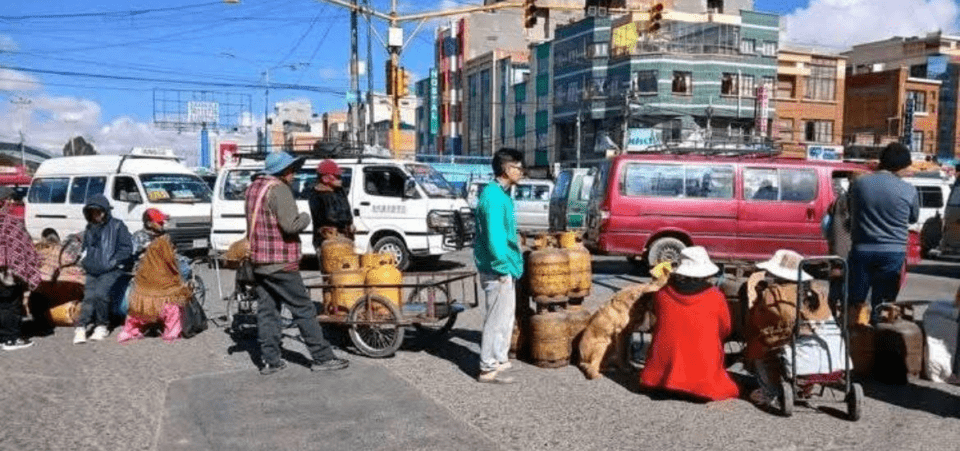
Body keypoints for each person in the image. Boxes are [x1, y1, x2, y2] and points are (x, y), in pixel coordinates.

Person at [247, 151, 347, 375]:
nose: (294, 174)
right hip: (281, 261)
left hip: (259, 260)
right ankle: (322, 357)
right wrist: (306, 218)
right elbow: (291, 226)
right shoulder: (279, 189)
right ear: (283, 172)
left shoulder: (254, 188)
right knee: (303, 309)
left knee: (267, 311)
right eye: (292, 170)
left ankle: (270, 361)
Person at [639, 246, 739, 402]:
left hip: (660, 377)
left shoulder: (662, 294)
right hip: (703, 381)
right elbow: (725, 328)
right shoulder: (716, 296)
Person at [847, 142, 919, 317]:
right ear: (900, 166)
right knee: (884, 305)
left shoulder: (859, 184)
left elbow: (851, 210)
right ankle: (879, 336)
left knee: (856, 302)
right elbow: (913, 218)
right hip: (892, 253)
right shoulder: (909, 190)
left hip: (862, 250)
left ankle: (856, 337)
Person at [473, 148, 525, 384]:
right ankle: (487, 367)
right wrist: (503, 267)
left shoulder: (501, 194)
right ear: (506, 169)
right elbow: (494, 238)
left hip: (505, 266)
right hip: (497, 268)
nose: (521, 171)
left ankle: (500, 358)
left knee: (505, 317)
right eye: (518, 167)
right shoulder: (493, 197)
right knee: (496, 319)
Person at [117, 209, 193, 343]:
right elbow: (132, 257)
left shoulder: (165, 236)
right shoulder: (139, 237)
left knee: (183, 272)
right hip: (147, 276)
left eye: (162, 221)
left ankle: (171, 328)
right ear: (149, 223)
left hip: (164, 275)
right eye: (159, 221)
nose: (162, 223)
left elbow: (173, 256)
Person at [74, 194, 132, 344]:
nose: (95, 215)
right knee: (88, 297)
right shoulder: (89, 228)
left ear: (105, 211)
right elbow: (86, 248)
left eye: (98, 212)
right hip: (92, 268)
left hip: (111, 269)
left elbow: (127, 248)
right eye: (92, 212)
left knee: (100, 294)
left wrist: (114, 262)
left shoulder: (118, 225)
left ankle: (101, 325)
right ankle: (81, 327)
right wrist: (83, 260)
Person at [0, 187, 42, 350]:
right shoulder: (10, 222)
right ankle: (11, 339)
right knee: (10, 304)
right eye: (8, 200)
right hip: (7, 273)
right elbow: (23, 245)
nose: (11, 203)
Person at [308, 159, 354, 254]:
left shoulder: (340, 191)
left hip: (345, 238)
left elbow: (347, 212)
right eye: (337, 176)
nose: (340, 179)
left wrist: (350, 224)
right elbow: (322, 220)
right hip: (327, 240)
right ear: (325, 179)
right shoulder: (316, 196)